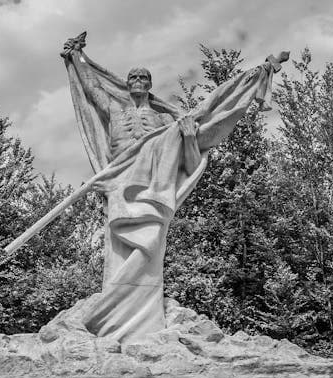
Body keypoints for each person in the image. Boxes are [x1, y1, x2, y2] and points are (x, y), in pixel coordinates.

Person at [61, 33, 286, 342]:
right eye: (133, 77)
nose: (138, 80)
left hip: (153, 187)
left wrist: (190, 136)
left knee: (149, 243)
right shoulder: (114, 110)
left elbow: (199, 133)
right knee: (119, 248)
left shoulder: (166, 120)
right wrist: (77, 58)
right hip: (120, 181)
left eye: (144, 77)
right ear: (126, 84)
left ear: (150, 85)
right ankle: (112, 320)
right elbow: (92, 88)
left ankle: (136, 322)